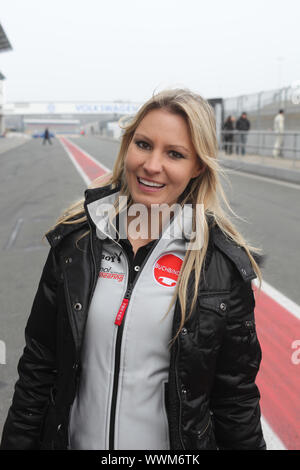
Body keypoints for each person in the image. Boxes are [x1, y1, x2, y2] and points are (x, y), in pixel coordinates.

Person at [0, 89, 266, 451]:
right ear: (127, 146)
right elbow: (39, 364)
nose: (152, 165)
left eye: (174, 154)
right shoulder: (77, 240)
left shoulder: (220, 264)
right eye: (143, 145)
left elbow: (235, 401)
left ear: (197, 166)